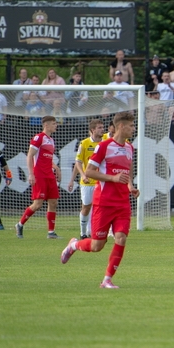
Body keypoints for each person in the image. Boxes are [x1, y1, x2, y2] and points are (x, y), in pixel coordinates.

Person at [60, 111, 140, 288]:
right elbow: (89, 172)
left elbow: (128, 171)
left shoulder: (129, 147)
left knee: (121, 238)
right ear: (120, 126)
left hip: (122, 203)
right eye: (131, 125)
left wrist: (130, 186)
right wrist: (112, 178)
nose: (133, 129)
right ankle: (74, 245)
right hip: (104, 202)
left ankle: (107, 280)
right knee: (97, 246)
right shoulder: (104, 147)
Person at [15, 116, 62, 239]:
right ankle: (20, 224)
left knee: (53, 202)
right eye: (54, 123)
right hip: (40, 175)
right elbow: (30, 156)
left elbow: (47, 159)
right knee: (37, 204)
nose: (56, 125)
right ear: (46, 125)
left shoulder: (51, 140)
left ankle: (51, 232)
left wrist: (55, 167)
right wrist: (31, 174)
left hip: (49, 175)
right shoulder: (39, 138)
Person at [67, 119, 104, 240]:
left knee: (101, 207)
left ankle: (96, 232)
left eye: (102, 127)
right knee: (86, 207)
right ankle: (83, 232)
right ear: (93, 130)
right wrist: (81, 176)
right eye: (99, 127)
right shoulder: (84, 143)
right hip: (87, 182)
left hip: (101, 181)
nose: (102, 129)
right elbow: (78, 162)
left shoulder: (106, 143)